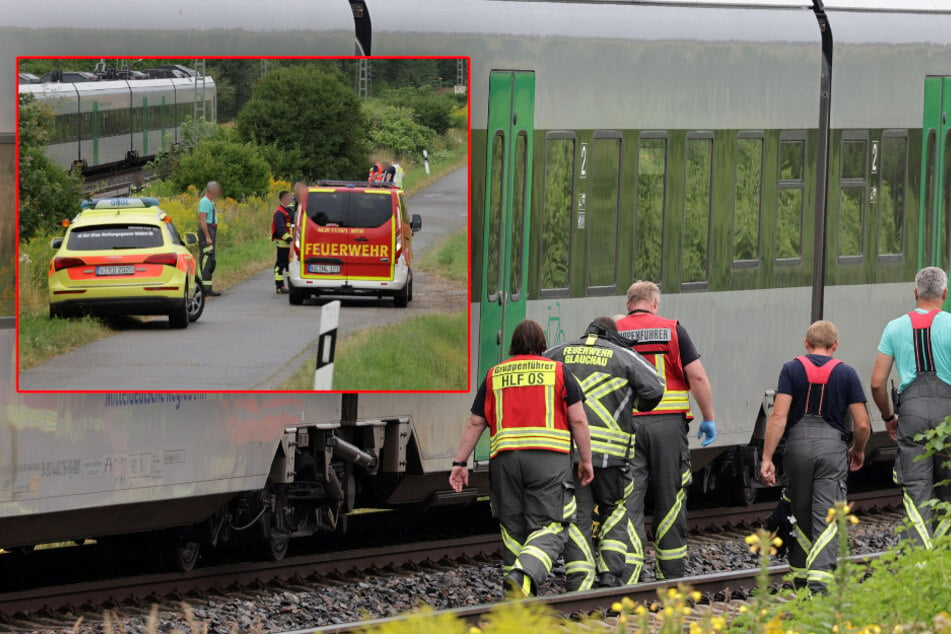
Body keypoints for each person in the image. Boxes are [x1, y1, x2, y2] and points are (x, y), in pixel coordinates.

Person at [449, 320, 594, 597]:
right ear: (542, 343)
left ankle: (517, 595)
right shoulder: (558, 371)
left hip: (504, 462)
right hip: (547, 461)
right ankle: (524, 573)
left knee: (513, 526)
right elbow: (578, 419)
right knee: (552, 524)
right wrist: (586, 460)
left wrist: (459, 463)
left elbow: (475, 423)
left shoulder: (495, 375)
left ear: (513, 344)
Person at [544, 317, 665, 591]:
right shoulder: (623, 355)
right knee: (615, 511)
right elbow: (656, 387)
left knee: (578, 516)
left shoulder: (559, 352)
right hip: (612, 456)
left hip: (573, 454)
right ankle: (610, 573)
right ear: (613, 335)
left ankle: (580, 582)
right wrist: (634, 403)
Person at [614, 280, 716, 580]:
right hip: (668, 427)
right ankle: (670, 574)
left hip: (628, 426)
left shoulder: (615, 332)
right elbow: (696, 376)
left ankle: (627, 575)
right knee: (670, 497)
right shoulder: (672, 330)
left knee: (628, 499)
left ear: (628, 303)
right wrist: (708, 416)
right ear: (654, 303)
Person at [759, 321, 870, 593]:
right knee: (826, 518)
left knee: (799, 514)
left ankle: (799, 578)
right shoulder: (847, 373)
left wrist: (767, 458)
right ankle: (820, 587)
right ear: (835, 345)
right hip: (832, 451)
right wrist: (858, 448)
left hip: (797, 448)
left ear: (806, 343)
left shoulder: (791, 369)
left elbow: (778, 417)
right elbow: (863, 424)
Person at [871, 266, 951, 548]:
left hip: (912, 416)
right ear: (945, 293)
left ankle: (918, 565)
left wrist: (888, 416)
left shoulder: (894, 327)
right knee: (948, 491)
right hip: (948, 418)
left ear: (916, 293)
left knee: (916, 492)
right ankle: (944, 567)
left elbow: (877, 383)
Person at [197, 181, 222, 296]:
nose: (218, 192)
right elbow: (202, 219)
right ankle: (203, 288)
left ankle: (208, 287)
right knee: (206, 259)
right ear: (211, 190)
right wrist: (207, 236)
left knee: (211, 260)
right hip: (206, 232)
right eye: (217, 190)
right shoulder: (204, 201)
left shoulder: (211, 202)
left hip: (211, 231)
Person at [271, 190, 294, 294]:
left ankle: (291, 286)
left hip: (291, 245)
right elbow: (281, 230)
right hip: (283, 244)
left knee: (290, 267)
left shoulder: (288, 211)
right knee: (280, 265)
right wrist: (290, 241)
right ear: (284, 198)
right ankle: (280, 287)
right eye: (289, 197)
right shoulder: (279, 213)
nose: (291, 199)